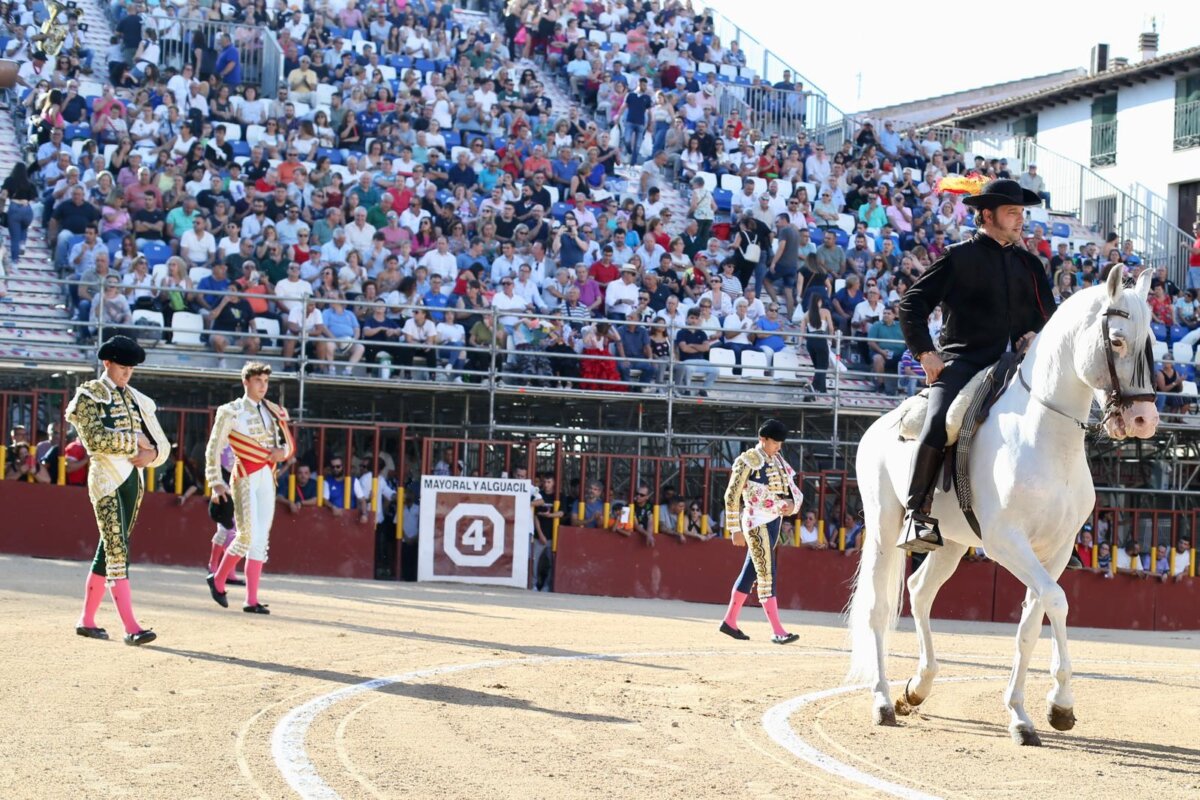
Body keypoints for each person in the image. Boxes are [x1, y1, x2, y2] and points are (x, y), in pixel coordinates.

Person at [896, 179, 1054, 551]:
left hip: (1018, 365)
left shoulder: (1030, 264)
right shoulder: (957, 257)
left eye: (1022, 213)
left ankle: (1060, 526)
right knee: (937, 423)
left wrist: (1035, 333)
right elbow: (911, 305)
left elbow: (1050, 317)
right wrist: (925, 353)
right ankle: (917, 515)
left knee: (1063, 421)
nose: (1020, 221)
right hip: (964, 361)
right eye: (1012, 213)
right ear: (987, 215)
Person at [66, 335, 170, 646]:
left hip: (132, 480)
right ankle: (131, 626)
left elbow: (161, 444)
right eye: (122, 368)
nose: (126, 374)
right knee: (117, 549)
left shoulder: (137, 398)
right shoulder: (87, 395)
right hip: (106, 480)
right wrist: (134, 441)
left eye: (131, 369)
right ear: (106, 363)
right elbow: (94, 440)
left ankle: (87, 620)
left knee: (113, 545)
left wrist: (152, 455)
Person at [204, 362, 295, 614]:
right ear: (246, 382)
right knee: (245, 535)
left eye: (266, 382)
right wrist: (215, 481)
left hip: (267, 474)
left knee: (261, 537)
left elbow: (283, 446)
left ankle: (251, 599)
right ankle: (218, 579)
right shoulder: (230, 411)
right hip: (244, 474)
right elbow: (213, 448)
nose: (263, 386)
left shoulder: (271, 410)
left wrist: (282, 453)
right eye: (258, 381)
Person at [719, 419, 804, 644]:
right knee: (767, 573)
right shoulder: (747, 460)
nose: (779, 447)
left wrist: (790, 504)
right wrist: (734, 529)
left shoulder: (777, 459)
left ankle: (729, 621)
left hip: (774, 520)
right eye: (775, 443)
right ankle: (778, 630)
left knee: (752, 572)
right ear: (762, 439)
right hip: (756, 523)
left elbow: (791, 489)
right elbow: (731, 495)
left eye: (780, 443)